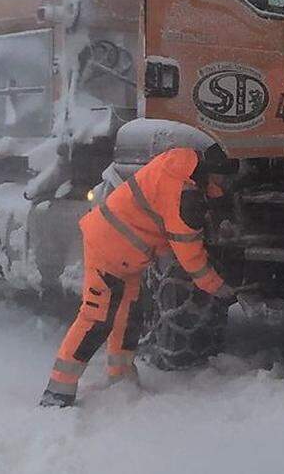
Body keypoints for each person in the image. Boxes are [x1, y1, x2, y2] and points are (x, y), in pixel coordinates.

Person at [40, 146, 235, 408]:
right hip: (109, 249)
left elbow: (162, 221)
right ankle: (58, 390)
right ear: (208, 174)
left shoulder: (179, 163)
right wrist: (216, 286)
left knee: (129, 314)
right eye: (220, 180)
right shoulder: (184, 197)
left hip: (126, 253)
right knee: (97, 318)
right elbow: (190, 257)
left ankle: (120, 376)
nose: (222, 186)